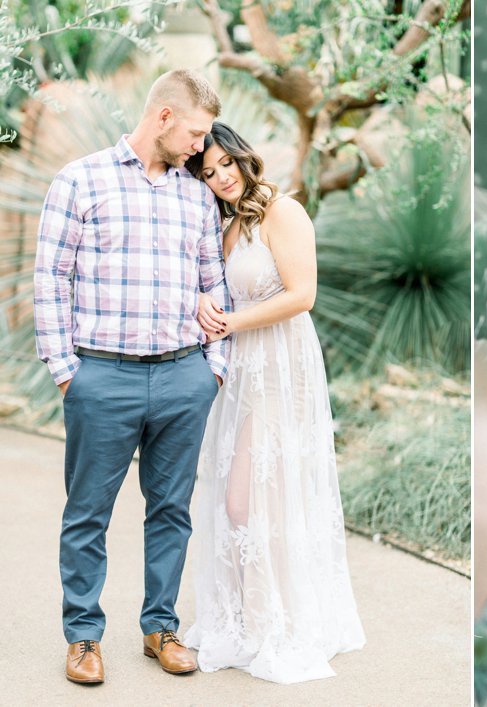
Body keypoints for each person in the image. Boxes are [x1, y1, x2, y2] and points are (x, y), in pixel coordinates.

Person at [33, 69, 229, 684]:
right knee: (88, 512)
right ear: (164, 117)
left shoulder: (195, 195)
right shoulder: (79, 180)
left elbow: (212, 281)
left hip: (183, 378)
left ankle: (160, 628)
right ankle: (84, 637)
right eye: (196, 133)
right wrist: (69, 373)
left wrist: (212, 371)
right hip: (102, 379)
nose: (202, 147)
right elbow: (49, 280)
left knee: (171, 510)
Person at [182, 122, 365, 684]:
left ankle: (272, 621)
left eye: (224, 165)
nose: (219, 179)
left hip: (282, 366)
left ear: (242, 156)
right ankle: (245, 617)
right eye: (208, 174)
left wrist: (231, 321)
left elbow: (302, 294)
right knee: (245, 496)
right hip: (242, 369)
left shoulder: (282, 212)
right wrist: (202, 307)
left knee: (253, 498)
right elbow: (217, 286)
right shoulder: (228, 224)